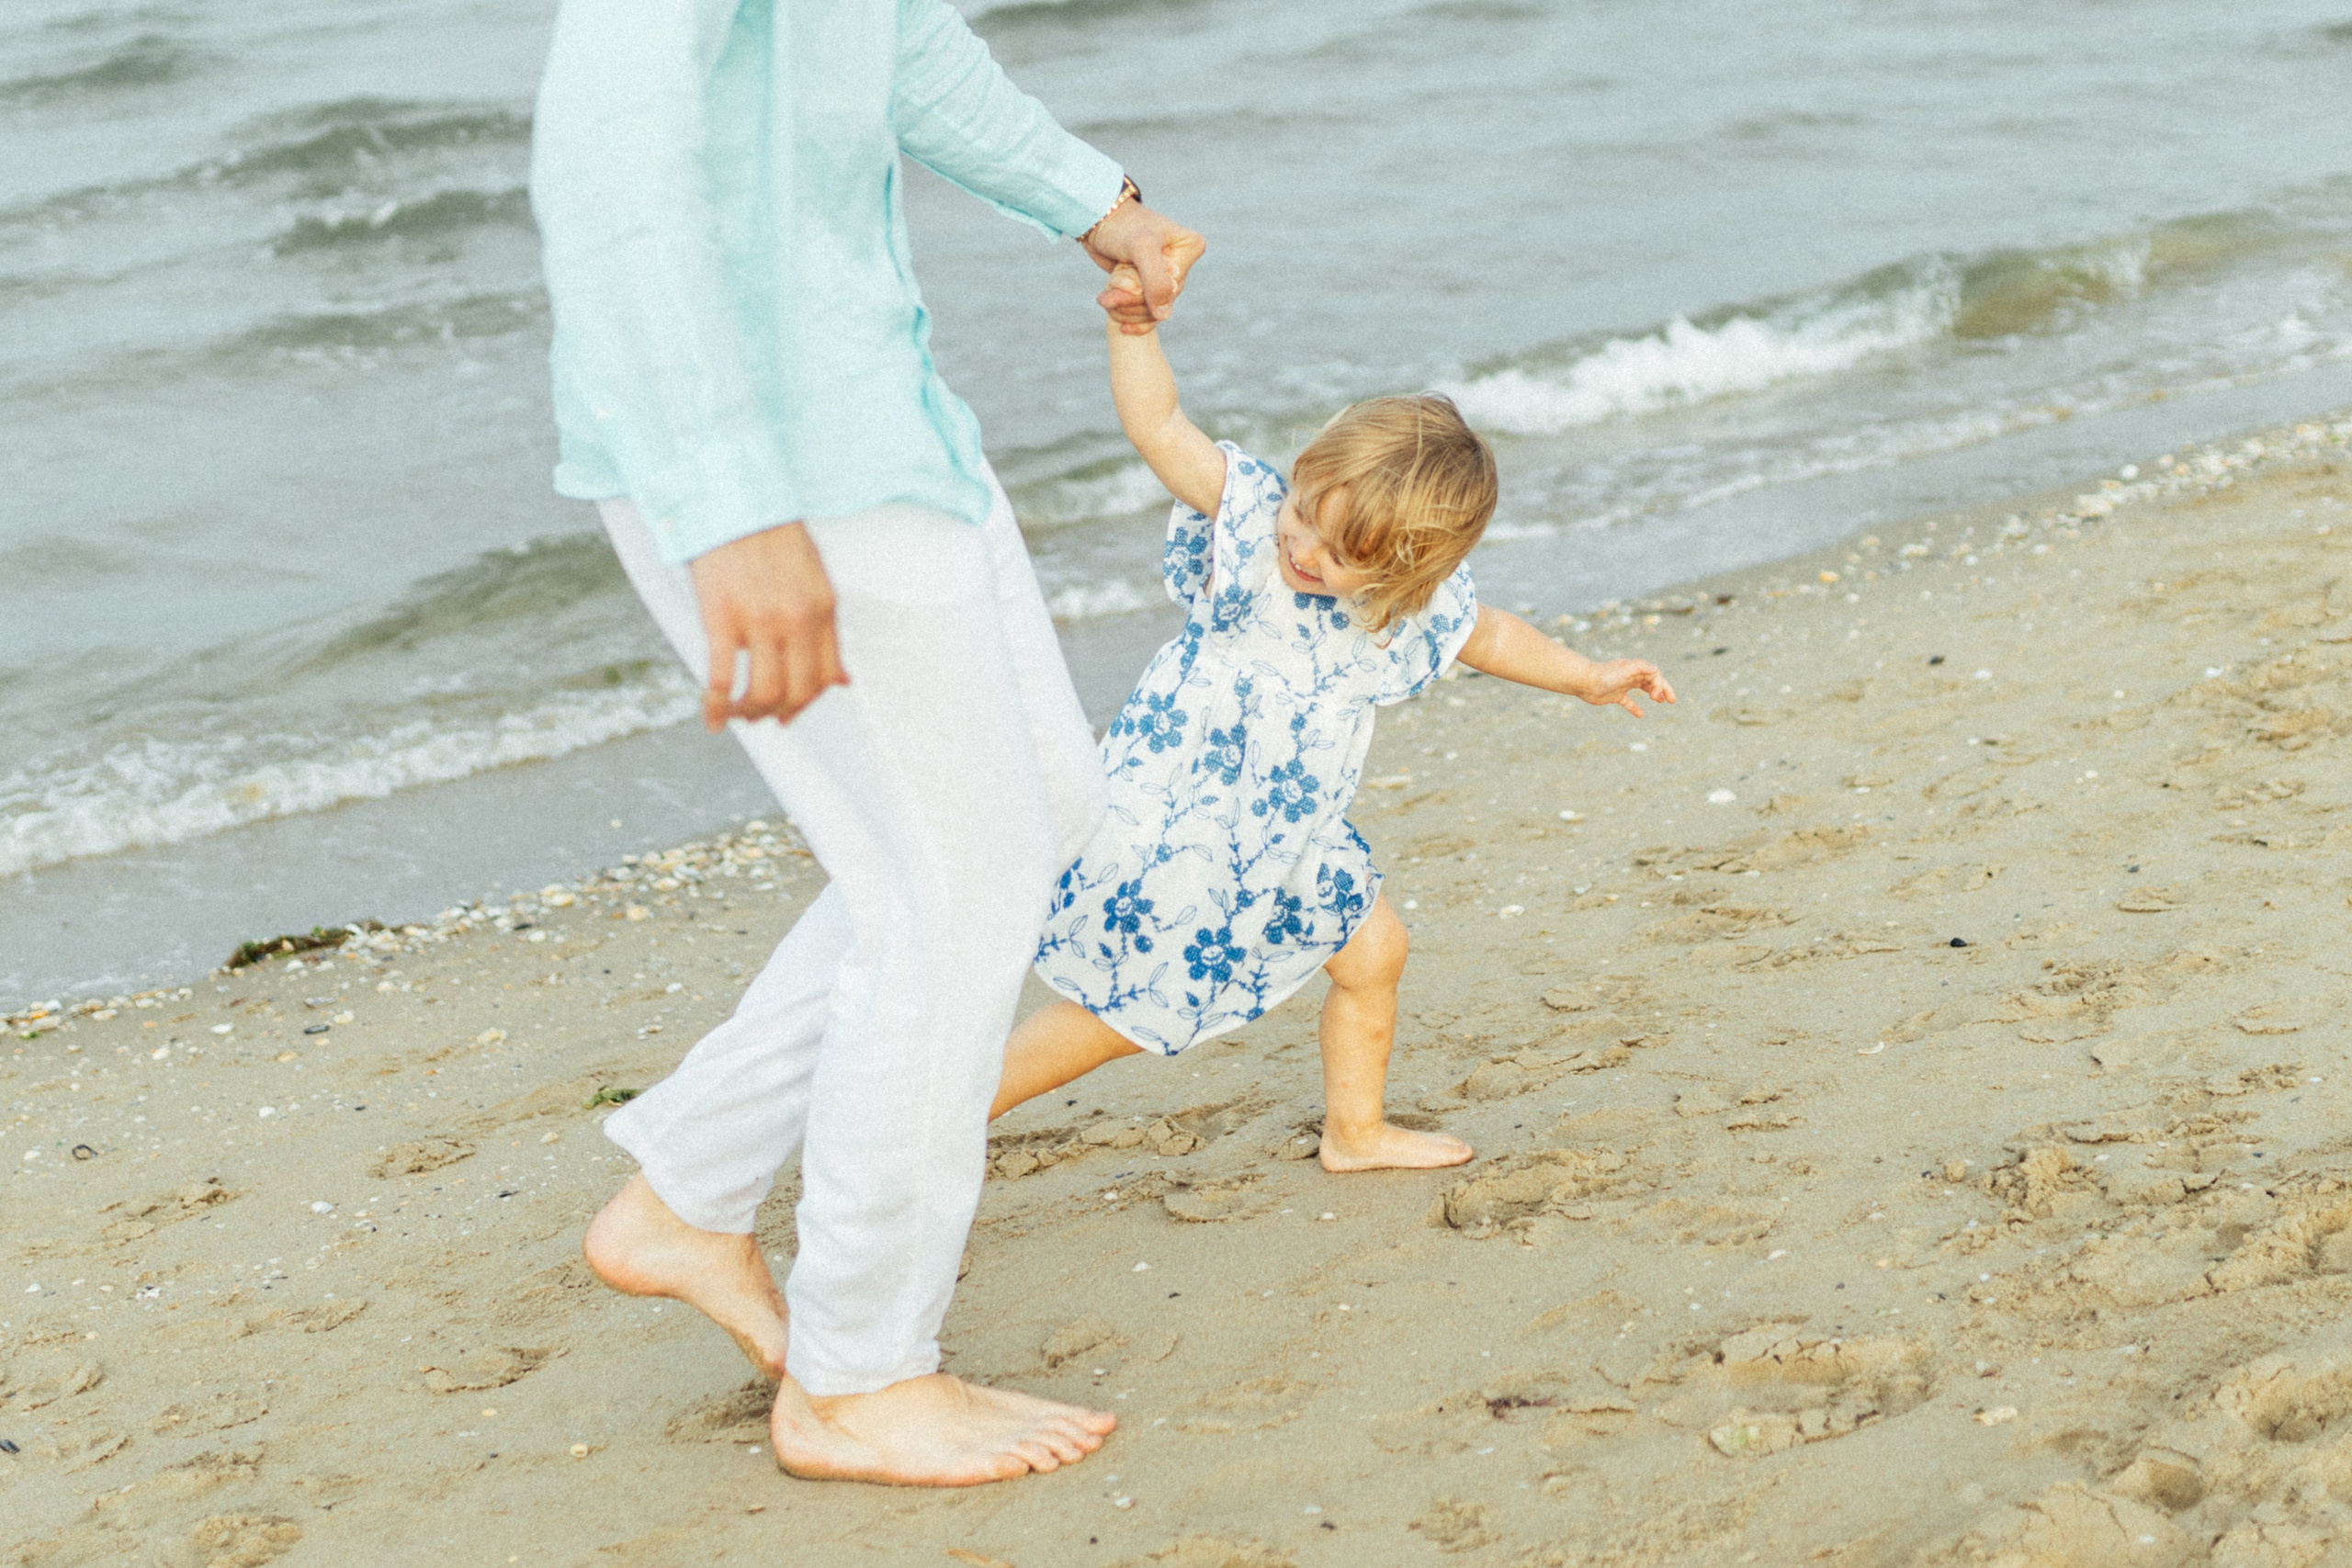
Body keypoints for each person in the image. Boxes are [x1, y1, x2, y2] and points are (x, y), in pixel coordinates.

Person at [527, 0, 1202, 1487]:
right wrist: (729, 503)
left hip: (874, 412)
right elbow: (608, 157)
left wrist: (1091, 199)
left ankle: (688, 1195)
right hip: (773, 451)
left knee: (1043, 809)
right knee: (952, 891)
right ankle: (857, 1376)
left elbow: (893, 43)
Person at [989, 273, 1675, 1166]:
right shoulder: (1247, 531)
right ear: (1302, 473)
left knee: (1373, 950)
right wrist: (1132, 333)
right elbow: (1160, 428)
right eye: (1304, 513)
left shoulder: (1404, 605)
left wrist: (1582, 675)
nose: (1302, 549)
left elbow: (1488, 632)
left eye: (1339, 552)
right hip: (1177, 828)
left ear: (1402, 569)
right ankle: (948, 1121)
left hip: (1285, 836)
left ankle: (1354, 1131)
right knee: (1120, 1015)